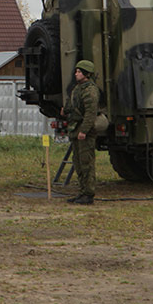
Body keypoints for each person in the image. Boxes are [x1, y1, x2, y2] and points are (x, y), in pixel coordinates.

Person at [66, 59, 100, 205]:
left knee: (86, 163)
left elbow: (90, 114)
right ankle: (82, 192)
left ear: (86, 74)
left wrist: (84, 131)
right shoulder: (78, 88)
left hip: (84, 131)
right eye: (76, 71)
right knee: (78, 163)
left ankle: (88, 193)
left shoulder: (90, 91)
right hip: (75, 128)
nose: (76, 74)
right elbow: (71, 104)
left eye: (79, 72)